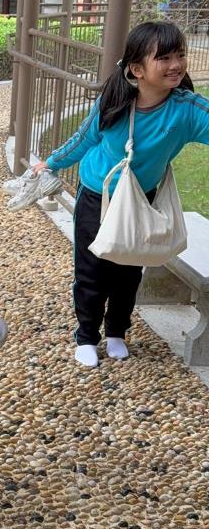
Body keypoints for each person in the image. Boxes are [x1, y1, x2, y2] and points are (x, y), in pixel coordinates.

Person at [32, 21, 209, 369]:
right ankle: (86, 336)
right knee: (92, 271)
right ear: (137, 69)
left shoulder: (187, 110)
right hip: (97, 196)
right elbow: (83, 139)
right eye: (164, 58)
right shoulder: (114, 101)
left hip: (142, 199)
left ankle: (117, 331)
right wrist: (51, 163)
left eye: (180, 55)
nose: (176, 65)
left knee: (129, 268)